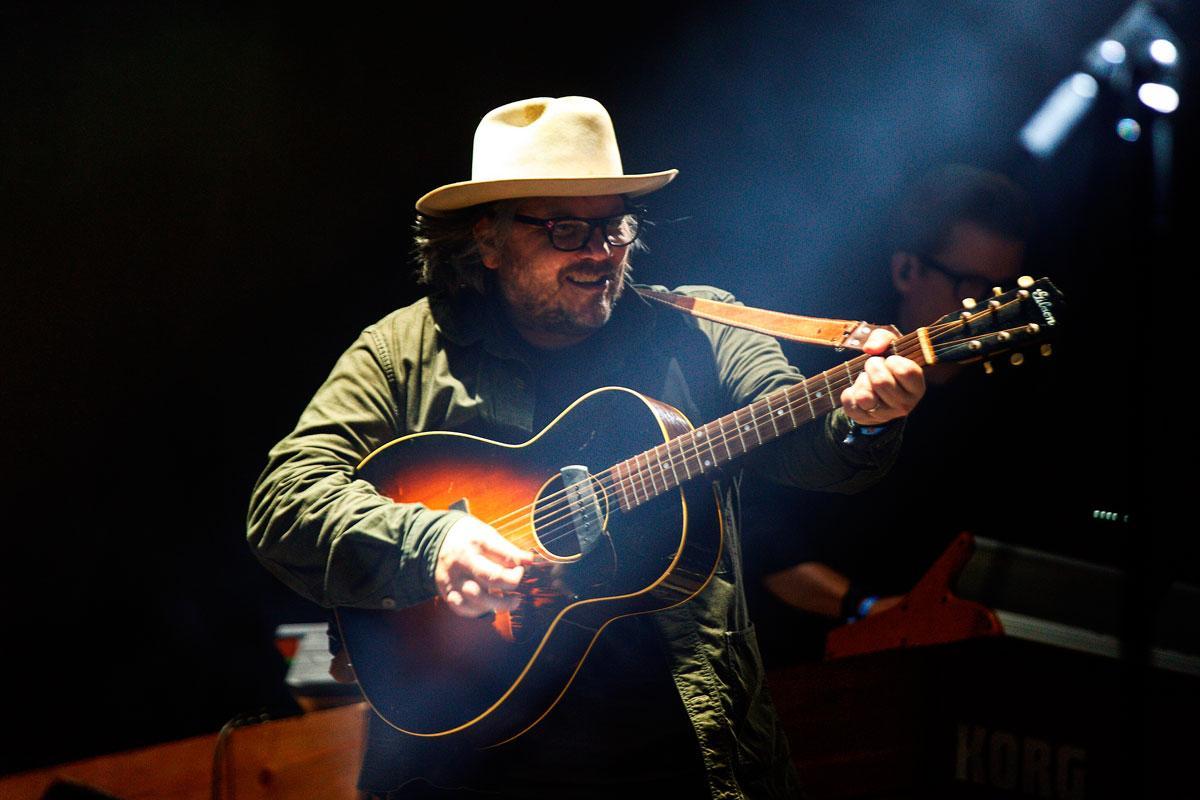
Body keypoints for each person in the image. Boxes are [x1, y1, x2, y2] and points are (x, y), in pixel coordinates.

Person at [246, 96, 925, 799]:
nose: (600, 252)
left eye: (614, 226)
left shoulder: (700, 330)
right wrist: (435, 543)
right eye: (567, 229)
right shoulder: (403, 351)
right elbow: (283, 502)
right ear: (488, 239)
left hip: (678, 761)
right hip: (466, 768)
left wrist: (864, 418)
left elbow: (807, 446)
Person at [742, 165, 1036, 664]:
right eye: (968, 285)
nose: (984, 310)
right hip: (794, 655)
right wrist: (872, 608)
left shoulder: (1000, 408)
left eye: (999, 293)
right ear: (906, 271)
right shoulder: (820, 374)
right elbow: (760, 540)